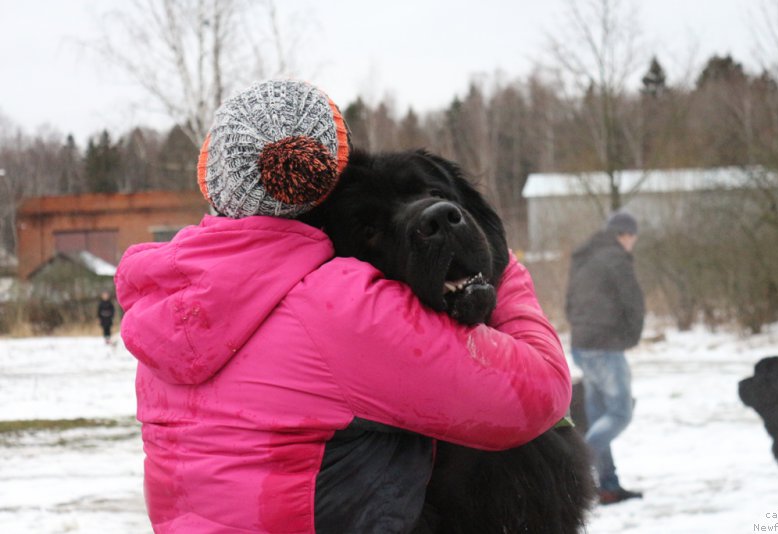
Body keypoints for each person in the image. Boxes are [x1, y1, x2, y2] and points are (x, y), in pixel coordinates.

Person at [115, 79, 571, 533]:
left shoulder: (173, 305)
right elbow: (537, 394)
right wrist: (500, 264)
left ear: (216, 185)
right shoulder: (335, 304)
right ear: (327, 166)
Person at [565, 211, 645, 505]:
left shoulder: (584, 257)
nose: (632, 243)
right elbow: (633, 302)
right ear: (624, 234)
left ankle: (607, 486)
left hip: (582, 345)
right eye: (632, 237)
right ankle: (576, 467)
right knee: (620, 413)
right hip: (606, 346)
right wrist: (630, 337)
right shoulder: (615, 257)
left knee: (599, 417)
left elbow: (569, 303)